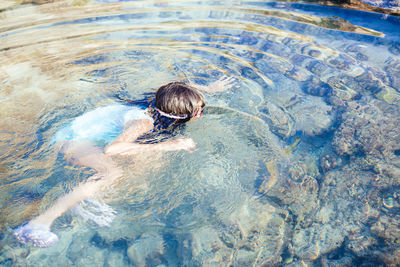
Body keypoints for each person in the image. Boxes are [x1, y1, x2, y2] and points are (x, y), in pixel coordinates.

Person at [13, 77, 235, 248]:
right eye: (197, 113)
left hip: (77, 135)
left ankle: (86, 198)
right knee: (112, 173)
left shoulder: (159, 98)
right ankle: (37, 224)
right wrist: (168, 145)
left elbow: (172, 84)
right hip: (69, 142)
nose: (200, 116)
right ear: (180, 115)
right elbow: (113, 149)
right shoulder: (143, 122)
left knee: (146, 161)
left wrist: (207, 89)